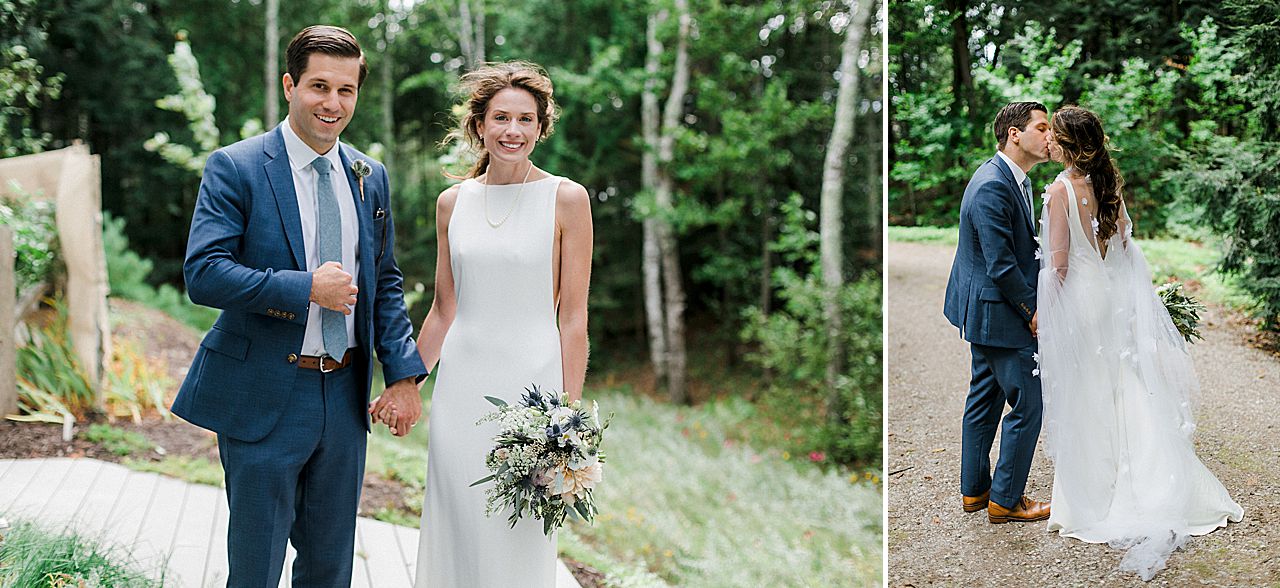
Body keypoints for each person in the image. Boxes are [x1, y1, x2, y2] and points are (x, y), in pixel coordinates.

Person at [173, 25, 427, 587]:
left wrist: (404, 373)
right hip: (263, 392)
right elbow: (204, 274)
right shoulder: (236, 167)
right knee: (257, 566)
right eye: (319, 86)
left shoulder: (369, 176)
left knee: (331, 566)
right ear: (290, 85)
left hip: (343, 394)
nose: (332, 103)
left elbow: (383, 279)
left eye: (346, 90)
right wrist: (305, 288)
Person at [394, 60, 593, 587]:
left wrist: (568, 423)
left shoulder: (567, 199)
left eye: (526, 119)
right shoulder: (452, 203)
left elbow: (573, 319)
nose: (513, 131)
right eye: (501, 118)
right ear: (479, 125)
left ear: (541, 126)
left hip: (533, 397)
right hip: (461, 390)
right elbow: (443, 310)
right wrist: (404, 381)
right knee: (456, 521)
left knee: (519, 532)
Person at [1037, 105, 1243, 580]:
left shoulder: (1059, 191)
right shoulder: (1108, 187)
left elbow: (1060, 266)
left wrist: (1045, 312)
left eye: (1055, 136)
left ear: (1069, 144)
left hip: (1084, 300)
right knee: (1124, 382)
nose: (1048, 141)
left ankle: (1099, 494)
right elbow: (1127, 249)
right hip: (1112, 296)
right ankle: (1158, 480)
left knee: (1090, 388)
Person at [943, 101, 1052, 524]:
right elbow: (1000, 263)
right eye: (1041, 128)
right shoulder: (992, 183)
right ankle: (1006, 500)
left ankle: (975, 492)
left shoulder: (1012, 179)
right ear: (1014, 133)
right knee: (1029, 403)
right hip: (999, 312)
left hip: (985, 310)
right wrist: (1032, 311)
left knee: (984, 399)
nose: (1049, 137)